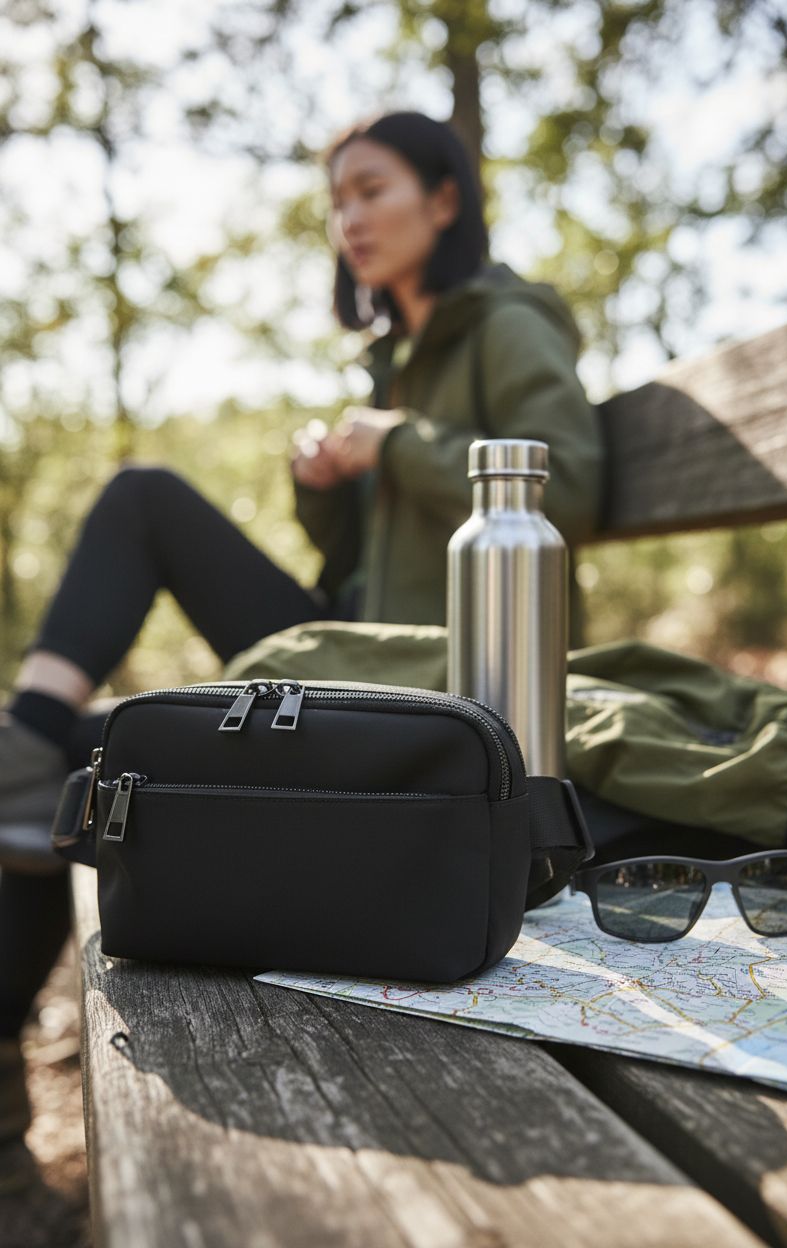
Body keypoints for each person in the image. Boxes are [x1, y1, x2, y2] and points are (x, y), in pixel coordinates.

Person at [0, 110, 602, 1188]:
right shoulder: (391, 356)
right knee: (74, 757)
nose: (349, 218)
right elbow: (355, 567)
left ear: (444, 199)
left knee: (81, 749)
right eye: (337, 200)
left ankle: (25, 742)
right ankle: (28, 747)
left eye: (371, 190)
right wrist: (322, 485)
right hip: (349, 637)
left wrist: (398, 443)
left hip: (429, 672)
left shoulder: (508, 324)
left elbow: (576, 481)